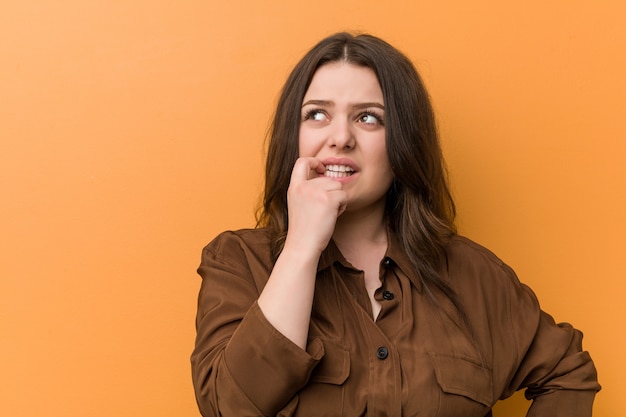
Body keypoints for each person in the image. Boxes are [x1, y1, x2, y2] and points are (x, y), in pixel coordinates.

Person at [191, 32, 600, 417]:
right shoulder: (239, 263)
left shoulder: (473, 274)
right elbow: (230, 407)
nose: (340, 138)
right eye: (317, 115)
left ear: (403, 139)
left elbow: (567, 374)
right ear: (292, 135)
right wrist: (300, 248)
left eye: (369, 118)